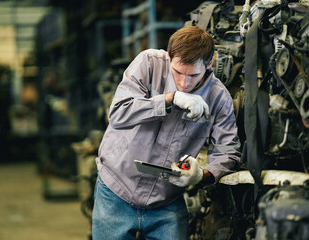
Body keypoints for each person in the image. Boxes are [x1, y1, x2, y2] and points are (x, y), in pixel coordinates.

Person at [92, 25, 241, 240]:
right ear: (170, 57)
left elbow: (228, 152)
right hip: (116, 190)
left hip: (166, 203)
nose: (184, 82)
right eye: (178, 72)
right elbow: (118, 113)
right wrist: (169, 100)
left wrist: (202, 175)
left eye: (193, 75)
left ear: (209, 63)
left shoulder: (219, 98)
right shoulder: (148, 63)